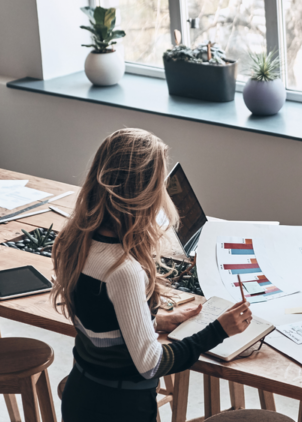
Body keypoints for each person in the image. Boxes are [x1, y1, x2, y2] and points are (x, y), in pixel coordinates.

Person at [51, 128, 252, 422]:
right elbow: (150, 364)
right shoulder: (123, 270)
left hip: (83, 394)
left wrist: (153, 322)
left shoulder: (73, 241)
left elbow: (102, 324)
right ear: (143, 195)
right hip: (119, 409)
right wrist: (219, 330)